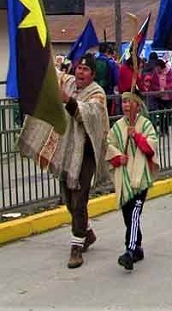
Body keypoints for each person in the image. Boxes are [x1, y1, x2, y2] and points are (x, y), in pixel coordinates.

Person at [17, 53, 110, 269]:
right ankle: (87, 233)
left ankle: (76, 247)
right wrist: (38, 48)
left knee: (79, 200)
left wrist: (67, 100)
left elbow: (88, 115)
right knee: (68, 200)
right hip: (67, 152)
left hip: (86, 154)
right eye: (78, 68)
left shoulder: (97, 93)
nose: (80, 72)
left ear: (93, 75)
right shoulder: (67, 82)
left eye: (86, 70)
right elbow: (50, 74)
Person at [106, 88, 159, 270]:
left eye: (129, 101)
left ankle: (129, 250)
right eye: (124, 102)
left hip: (140, 179)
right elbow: (109, 145)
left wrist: (135, 136)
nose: (126, 105)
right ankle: (137, 247)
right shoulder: (118, 126)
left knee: (135, 213)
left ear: (137, 104)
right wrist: (118, 157)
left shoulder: (145, 125)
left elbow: (151, 148)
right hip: (124, 177)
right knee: (128, 216)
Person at [150, 59, 172, 136]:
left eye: (157, 67)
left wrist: (165, 89)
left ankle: (166, 129)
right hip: (159, 97)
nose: (156, 69)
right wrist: (158, 90)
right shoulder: (155, 74)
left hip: (168, 97)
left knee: (168, 114)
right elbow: (153, 84)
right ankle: (161, 130)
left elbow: (171, 82)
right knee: (161, 114)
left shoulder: (169, 72)